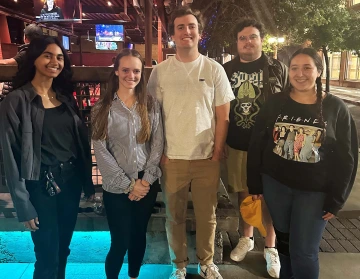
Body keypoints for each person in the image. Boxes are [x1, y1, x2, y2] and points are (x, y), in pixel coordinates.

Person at [247, 48, 358, 279]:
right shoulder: (275, 103)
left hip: (315, 192)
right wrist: (255, 184)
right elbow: (257, 143)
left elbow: (347, 156)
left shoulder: (335, 107)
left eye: (307, 67)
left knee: (304, 252)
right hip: (276, 186)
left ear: (318, 71)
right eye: (295, 68)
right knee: (285, 247)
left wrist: (337, 199)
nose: (300, 73)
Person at [147, 7, 234, 279]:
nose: (187, 32)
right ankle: (179, 265)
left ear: (199, 31)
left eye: (192, 26)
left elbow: (224, 116)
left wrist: (217, 152)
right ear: (173, 35)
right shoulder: (160, 72)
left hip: (206, 158)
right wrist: (159, 154)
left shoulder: (214, 69)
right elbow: (152, 116)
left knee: (207, 216)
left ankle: (206, 263)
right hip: (172, 159)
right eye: (181, 27)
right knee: (174, 217)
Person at [0, 36, 95, 279]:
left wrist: (87, 183)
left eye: (60, 57)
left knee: (63, 250)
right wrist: (23, 204)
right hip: (39, 187)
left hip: (70, 183)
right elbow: (9, 157)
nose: (55, 61)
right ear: (34, 59)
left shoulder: (65, 99)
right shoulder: (16, 101)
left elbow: (79, 145)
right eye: (48, 55)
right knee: (46, 254)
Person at [222, 18, 288, 278]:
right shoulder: (226, 70)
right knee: (244, 192)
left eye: (252, 36)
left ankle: (270, 247)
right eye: (242, 38)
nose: (248, 42)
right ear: (237, 43)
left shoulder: (276, 68)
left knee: (269, 194)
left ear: (261, 39)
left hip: (269, 145)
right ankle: (247, 237)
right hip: (238, 143)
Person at [91, 49, 163, 279]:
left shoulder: (151, 105)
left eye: (136, 71)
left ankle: (133, 276)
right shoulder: (102, 108)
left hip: (145, 181)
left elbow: (157, 144)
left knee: (138, 236)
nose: (130, 75)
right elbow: (100, 151)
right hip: (116, 184)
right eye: (125, 70)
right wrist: (128, 185)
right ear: (116, 71)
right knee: (119, 241)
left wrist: (145, 181)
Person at [0, 23, 43, 100]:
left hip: (22, 93)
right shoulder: (44, 52)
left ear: (25, 38)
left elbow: (6, 63)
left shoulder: (27, 52)